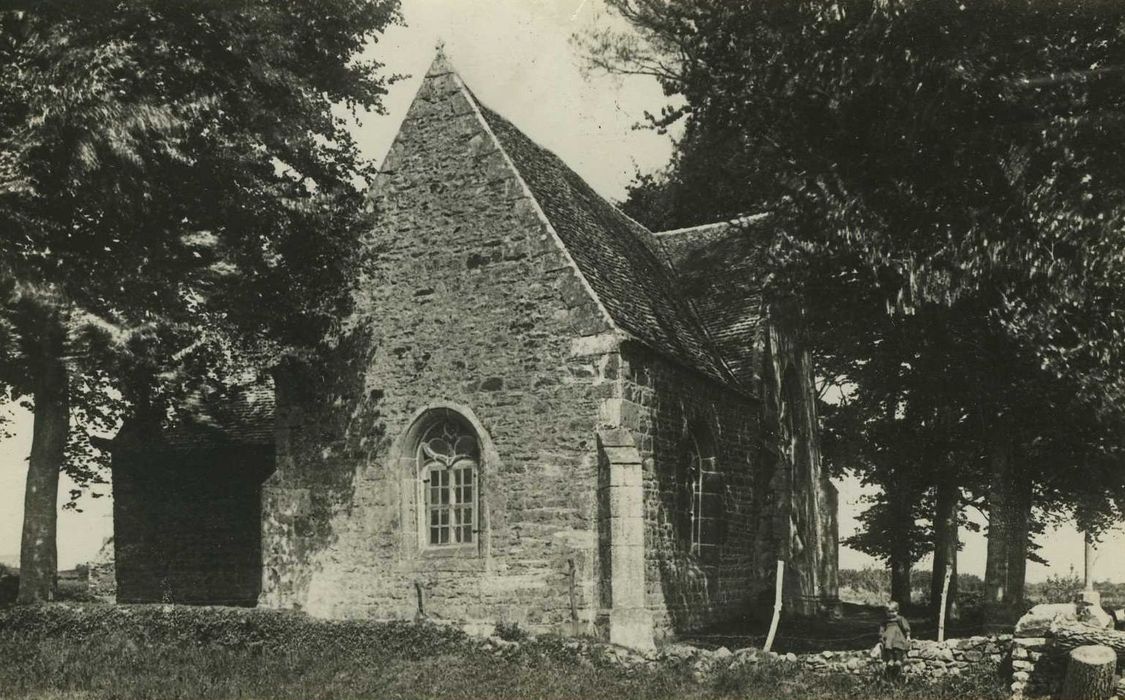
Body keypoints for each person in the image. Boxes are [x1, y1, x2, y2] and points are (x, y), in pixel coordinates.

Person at [879, 601, 911, 680]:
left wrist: (908, 636)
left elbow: (905, 627)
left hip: (897, 635)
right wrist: (881, 636)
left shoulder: (899, 619)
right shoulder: (885, 620)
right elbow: (882, 629)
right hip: (888, 635)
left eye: (893, 611)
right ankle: (890, 659)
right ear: (886, 612)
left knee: (897, 646)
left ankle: (898, 659)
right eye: (889, 612)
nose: (891, 614)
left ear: (897, 611)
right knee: (888, 646)